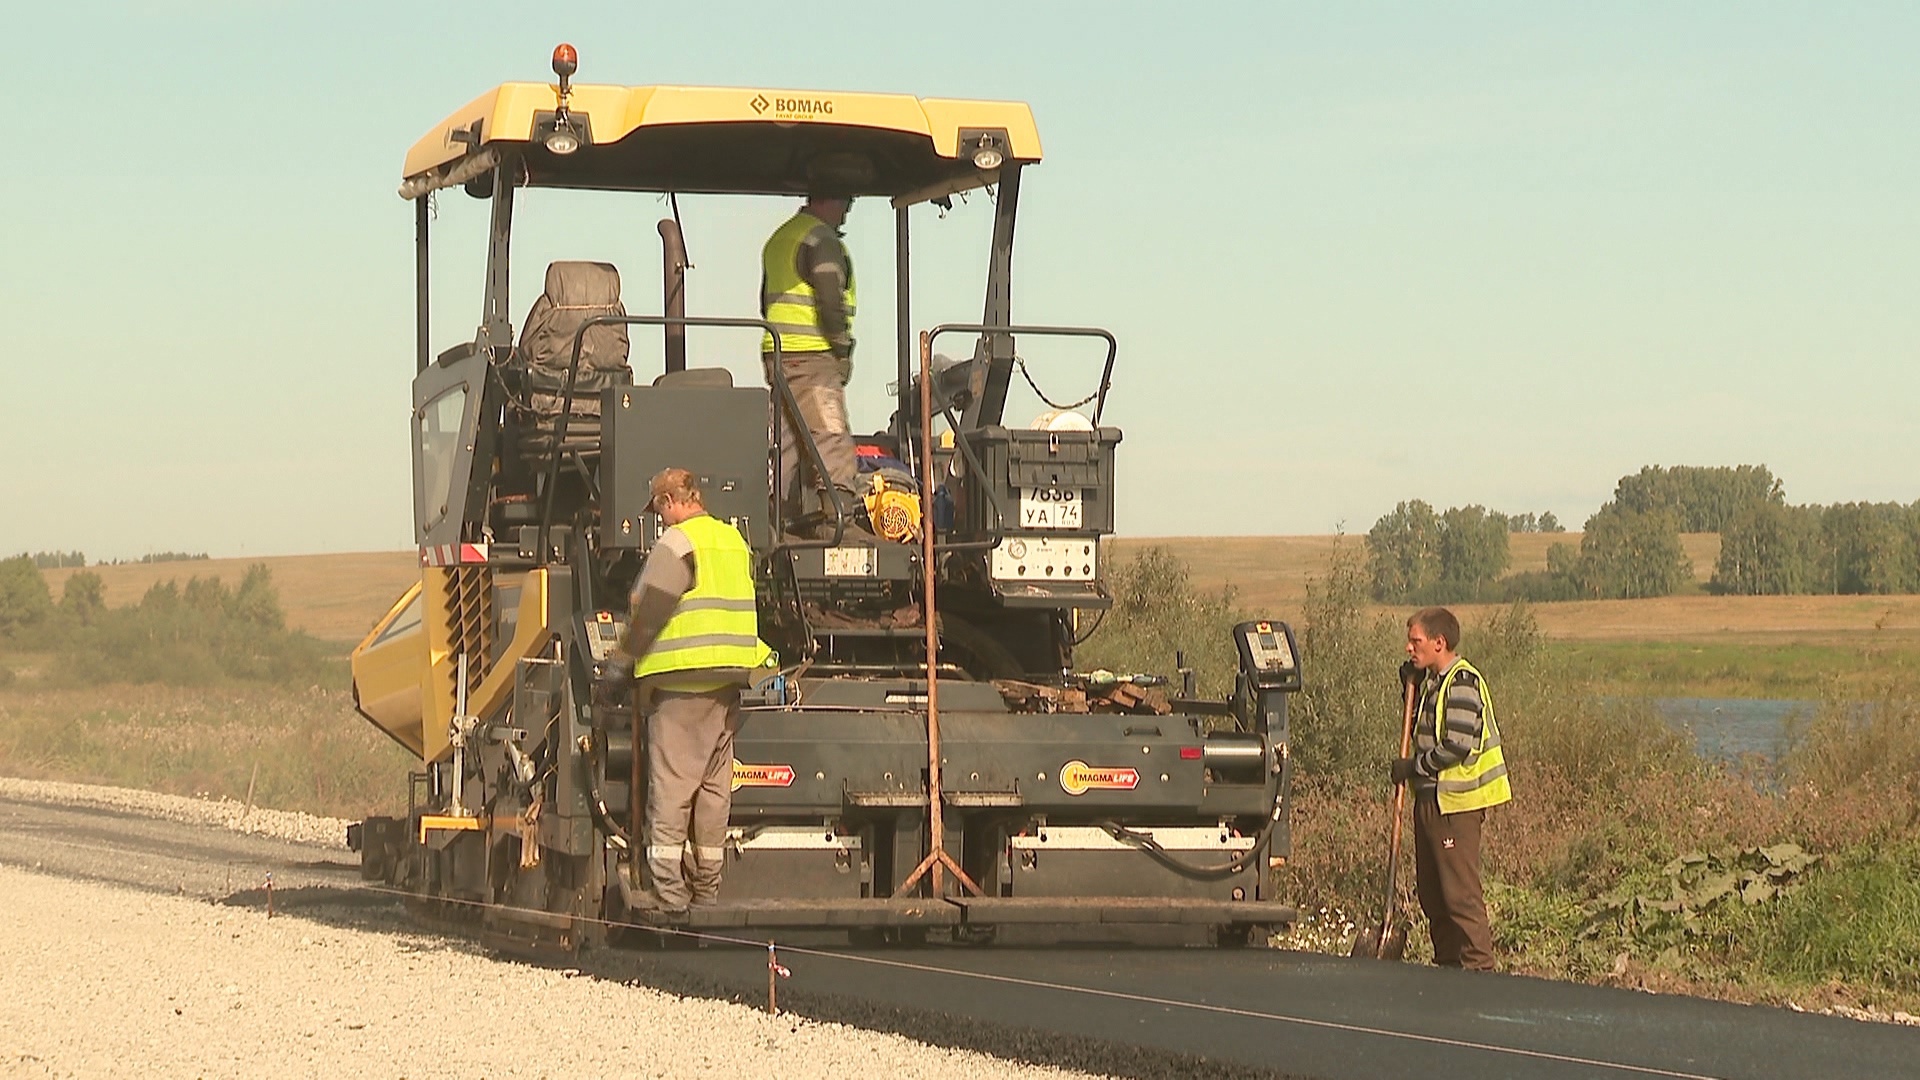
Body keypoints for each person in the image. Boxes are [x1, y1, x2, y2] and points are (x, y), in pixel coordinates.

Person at [621, 467, 772, 915]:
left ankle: (669, 898)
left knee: (671, 791)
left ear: (669, 501)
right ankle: (707, 894)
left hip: (682, 685)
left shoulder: (676, 544)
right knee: (712, 794)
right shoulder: (733, 541)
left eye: (660, 510)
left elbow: (646, 611)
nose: (661, 519)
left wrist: (618, 669)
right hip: (728, 687)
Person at [1391, 606, 1511, 970]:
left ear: (1439, 642)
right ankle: (1447, 968)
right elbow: (1422, 727)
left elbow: (1456, 744)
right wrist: (1406, 689)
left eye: (1416, 642)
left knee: (1460, 895)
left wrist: (1414, 766)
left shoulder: (1461, 682)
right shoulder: (1433, 683)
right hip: (1430, 800)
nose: (1410, 649)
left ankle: (1478, 971)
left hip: (1456, 806)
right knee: (1434, 896)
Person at [761, 188, 860, 536]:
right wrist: (842, 348)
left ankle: (779, 518)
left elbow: (765, 301)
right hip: (813, 354)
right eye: (846, 201)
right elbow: (830, 300)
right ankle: (838, 520)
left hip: (779, 354)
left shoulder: (781, 238)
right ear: (829, 198)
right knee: (829, 434)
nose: (847, 212)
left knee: (787, 439)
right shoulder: (821, 240)